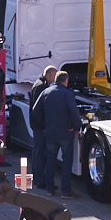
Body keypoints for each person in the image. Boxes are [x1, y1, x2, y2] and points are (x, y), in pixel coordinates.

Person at [29, 68, 85, 198]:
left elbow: (35, 110)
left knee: (50, 160)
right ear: (66, 81)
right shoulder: (68, 94)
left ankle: (49, 189)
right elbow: (75, 114)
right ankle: (65, 191)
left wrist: (44, 125)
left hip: (50, 134)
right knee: (66, 162)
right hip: (65, 134)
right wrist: (76, 128)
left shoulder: (46, 92)